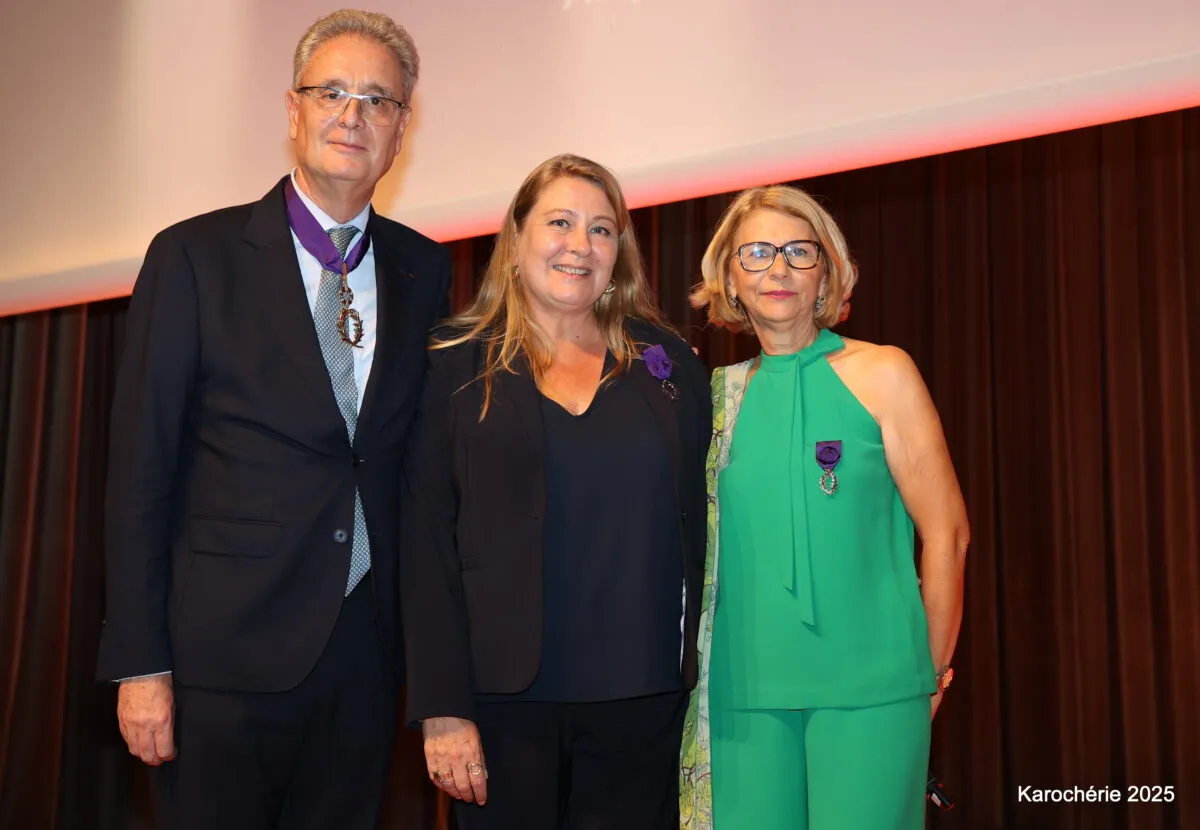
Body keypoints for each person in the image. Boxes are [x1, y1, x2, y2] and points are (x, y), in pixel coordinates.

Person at [96, 9, 450, 828]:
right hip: (219, 660)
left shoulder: (423, 267)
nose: (353, 116)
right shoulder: (193, 257)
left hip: (365, 659)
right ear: (293, 110)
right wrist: (141, 663)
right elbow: (141, 472)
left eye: (378, 100)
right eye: (332, 93)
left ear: (402, 130)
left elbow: (418, 472)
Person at [399, 154, 711, 829]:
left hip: (642, 698)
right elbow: (423, 545)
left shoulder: (669, 366)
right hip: (500, 705)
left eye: (601, 229)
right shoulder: (452, 362)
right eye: (560, 223)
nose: (581, 245)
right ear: (516, 239)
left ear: (619, 252)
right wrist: (441, 706)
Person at [680, 185, 969, 829]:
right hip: (742, 695)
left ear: (826, 271)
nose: (778, 268)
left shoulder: (885, 372)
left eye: (798, 251)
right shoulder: (715, 397)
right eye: (756, 252)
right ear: (731, 277)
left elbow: (947, 534)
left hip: (875, 687)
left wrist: (931, 671)